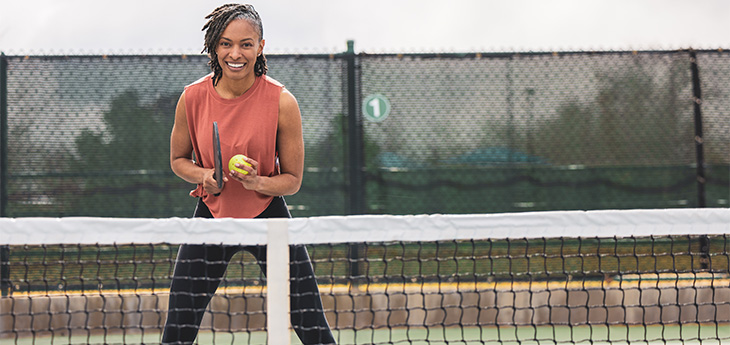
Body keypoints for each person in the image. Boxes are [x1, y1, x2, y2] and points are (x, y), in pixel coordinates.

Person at [163, 4, 336, 344]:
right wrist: (204, 177)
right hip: (212, 215)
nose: (235, 53)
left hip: (269, 217)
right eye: (226, 43)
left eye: (245, 44)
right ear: (214, 47)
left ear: (260, 46)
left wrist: (258, 183)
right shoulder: (192, 98)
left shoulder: (282, 101)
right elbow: (178, 160)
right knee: (179, 324)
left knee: (311, 322)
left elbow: (293, 180)